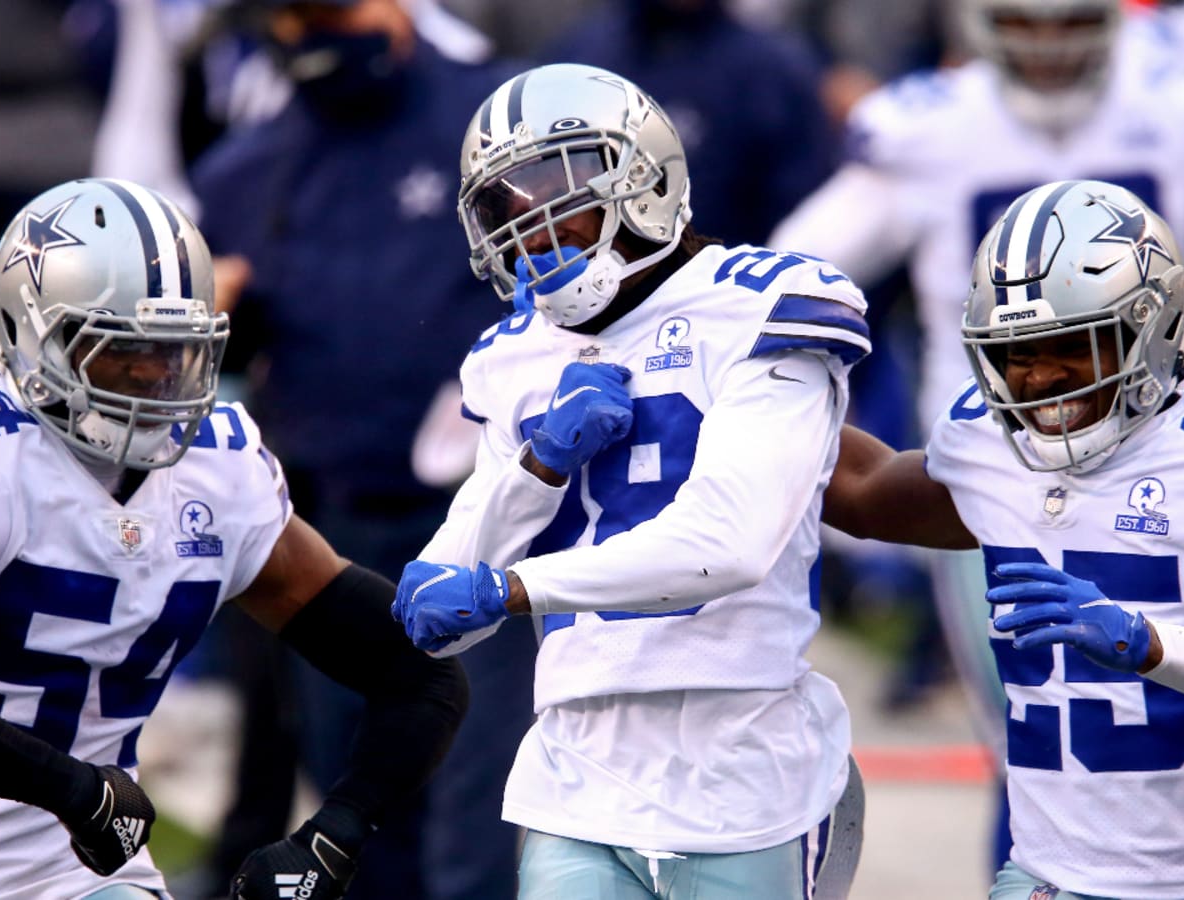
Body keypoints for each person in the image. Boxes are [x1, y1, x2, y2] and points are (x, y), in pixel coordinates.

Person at [389, 61, 869, 899]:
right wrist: (540, 464)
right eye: (514, 218)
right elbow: (439, 607)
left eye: (562, 206)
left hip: (744, 755)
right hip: (577, 761)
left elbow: (729, 546)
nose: (538, 239)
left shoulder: (763, 299)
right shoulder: (514, 354)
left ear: (643, 182)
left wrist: (510, 588)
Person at [0, 176, 467, 900]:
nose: (152, 378)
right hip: (78, 825)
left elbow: (419, 675)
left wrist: (333, 832)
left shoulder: (218, 470)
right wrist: (71, 788)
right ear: (28, 337)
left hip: (69, 876)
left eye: (171, 350)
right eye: (120, 351)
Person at [187, 3, 532, 898]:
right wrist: (220, 309)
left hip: (487, 519)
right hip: (333, 523)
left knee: (482, 812)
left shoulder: (491, 129)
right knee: (365, 796)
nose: (319, 31)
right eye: (297, 13)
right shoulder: (245, 172)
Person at [822, 178, 1184, 899]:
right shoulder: (988, 447)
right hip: (1049, 876)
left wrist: (1148, 643)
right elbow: (865, 495)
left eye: (1070, 346)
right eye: (1018, 353)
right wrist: (738, 399)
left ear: (1150, 327)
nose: (1042, 377)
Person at [542, 0, 839, 248]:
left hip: (728, 294)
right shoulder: (581, 56)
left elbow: (805, 220)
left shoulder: (774, 69)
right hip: (592, 286)